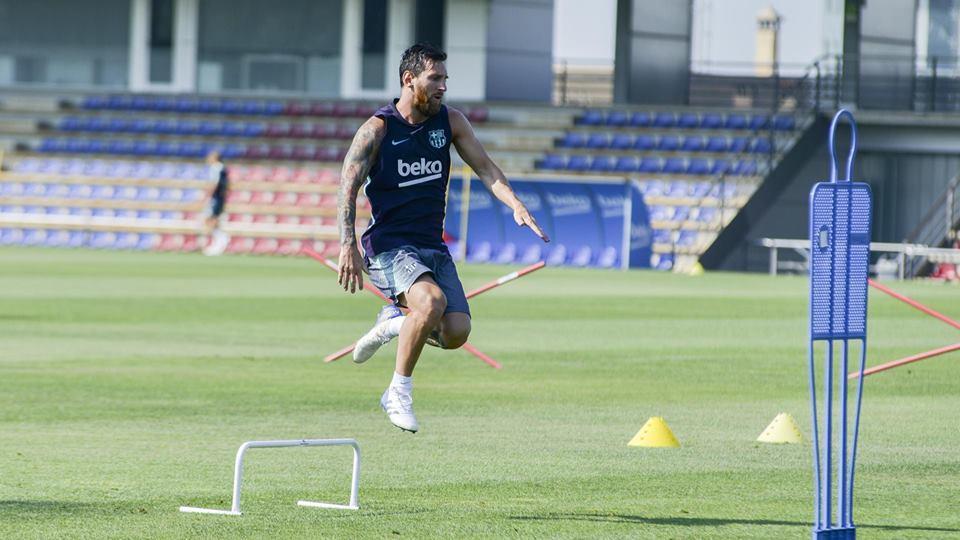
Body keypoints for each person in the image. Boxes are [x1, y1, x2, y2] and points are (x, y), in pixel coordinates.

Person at [337, 43, 549, 433]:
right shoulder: (377, 129)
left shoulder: (451, 122)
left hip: (432, 247)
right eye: (435, 78)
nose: (443, 87)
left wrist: (515, 203)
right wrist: (347, 244)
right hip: (388, 247)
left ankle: (395, 323)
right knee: (431, 302)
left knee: (455, 333)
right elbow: (347, 185)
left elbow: (486, 168)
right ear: (409, 79)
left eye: (445, 79)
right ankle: (397, 393)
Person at [201, 150, 230, 256]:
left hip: (216, 198)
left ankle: (220, 240)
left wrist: (208, 195)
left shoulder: (216, 167)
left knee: (210, 219)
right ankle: (219, 241)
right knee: (213, 219)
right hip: (220, 198)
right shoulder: (223, 168)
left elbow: (214, 183)